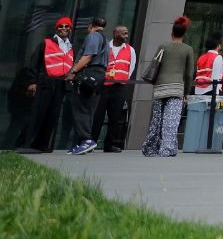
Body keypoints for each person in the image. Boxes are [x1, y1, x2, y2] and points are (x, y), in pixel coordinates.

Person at [141, 16, 196, 157]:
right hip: (176, 88)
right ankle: (167, 149)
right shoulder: (188, 49)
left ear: (172, 33)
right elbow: (189, 74)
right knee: (171, 121)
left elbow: (155, 65)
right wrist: (186, 92)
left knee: (157, 120)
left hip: (160, 87)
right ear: (184, 34)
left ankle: (150, 147)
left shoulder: (163, 46)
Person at [19, 17, 74, 152]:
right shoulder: (46, 43)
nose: (64, 28)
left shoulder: (70, 47)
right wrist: (32, 82)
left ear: (70, 29)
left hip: (60, 85)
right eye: (61, 26)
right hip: (45, 82)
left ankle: (42, 145)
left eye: (67, 26)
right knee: (37, 114)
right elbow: (34, 63)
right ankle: (24, 144)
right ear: (56, 28)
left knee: (52, 115)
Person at [66, 17, 110, 154]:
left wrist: (73, 71)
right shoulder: (105, 39)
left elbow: (88, 56)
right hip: (99, 76)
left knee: (81, 108)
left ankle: (86, 140)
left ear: (91, 26)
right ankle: (83, 142)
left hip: (89, 73)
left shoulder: (94, 36)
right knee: (89, 108)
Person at [93, 24, 137, 152]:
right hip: (103, 86)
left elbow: (131, 68)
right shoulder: (105, 47)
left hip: (119, 87)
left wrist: (122, 79)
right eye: (124, 33)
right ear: (115, 33)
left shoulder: (130, 50)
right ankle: (92, 142)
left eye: (127, 33)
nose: (126, 36)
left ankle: (109, 144)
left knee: (115, 117)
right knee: (98, 115)